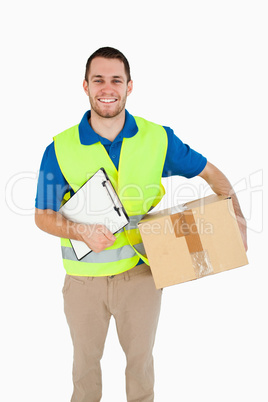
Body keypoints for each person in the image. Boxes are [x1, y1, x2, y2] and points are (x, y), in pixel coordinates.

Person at [35, 46, 247, 402]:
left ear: (129, 86)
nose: (107, 88)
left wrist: (237, 218)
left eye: (116, 80)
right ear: (84, 86)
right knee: (84, 374)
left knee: (141, 372)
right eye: (98, 79)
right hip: (84, 282)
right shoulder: (59, 148)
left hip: (143, 276)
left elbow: (210, 172)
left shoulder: (157, 138)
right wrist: (80, 230)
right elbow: (43, 215)